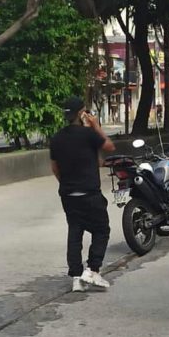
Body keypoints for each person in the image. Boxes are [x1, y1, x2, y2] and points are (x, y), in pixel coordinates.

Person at [50, 97, 117, 292]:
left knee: (75, 231)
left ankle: (76, 278)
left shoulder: (57, 138)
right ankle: (93, 269)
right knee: (101, 230)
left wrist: (67, 184)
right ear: (82, 114)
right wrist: (96, 126)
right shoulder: (89, 135)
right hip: (89, 192)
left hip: (68, 194)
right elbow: (109, 147)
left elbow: (55, 167)